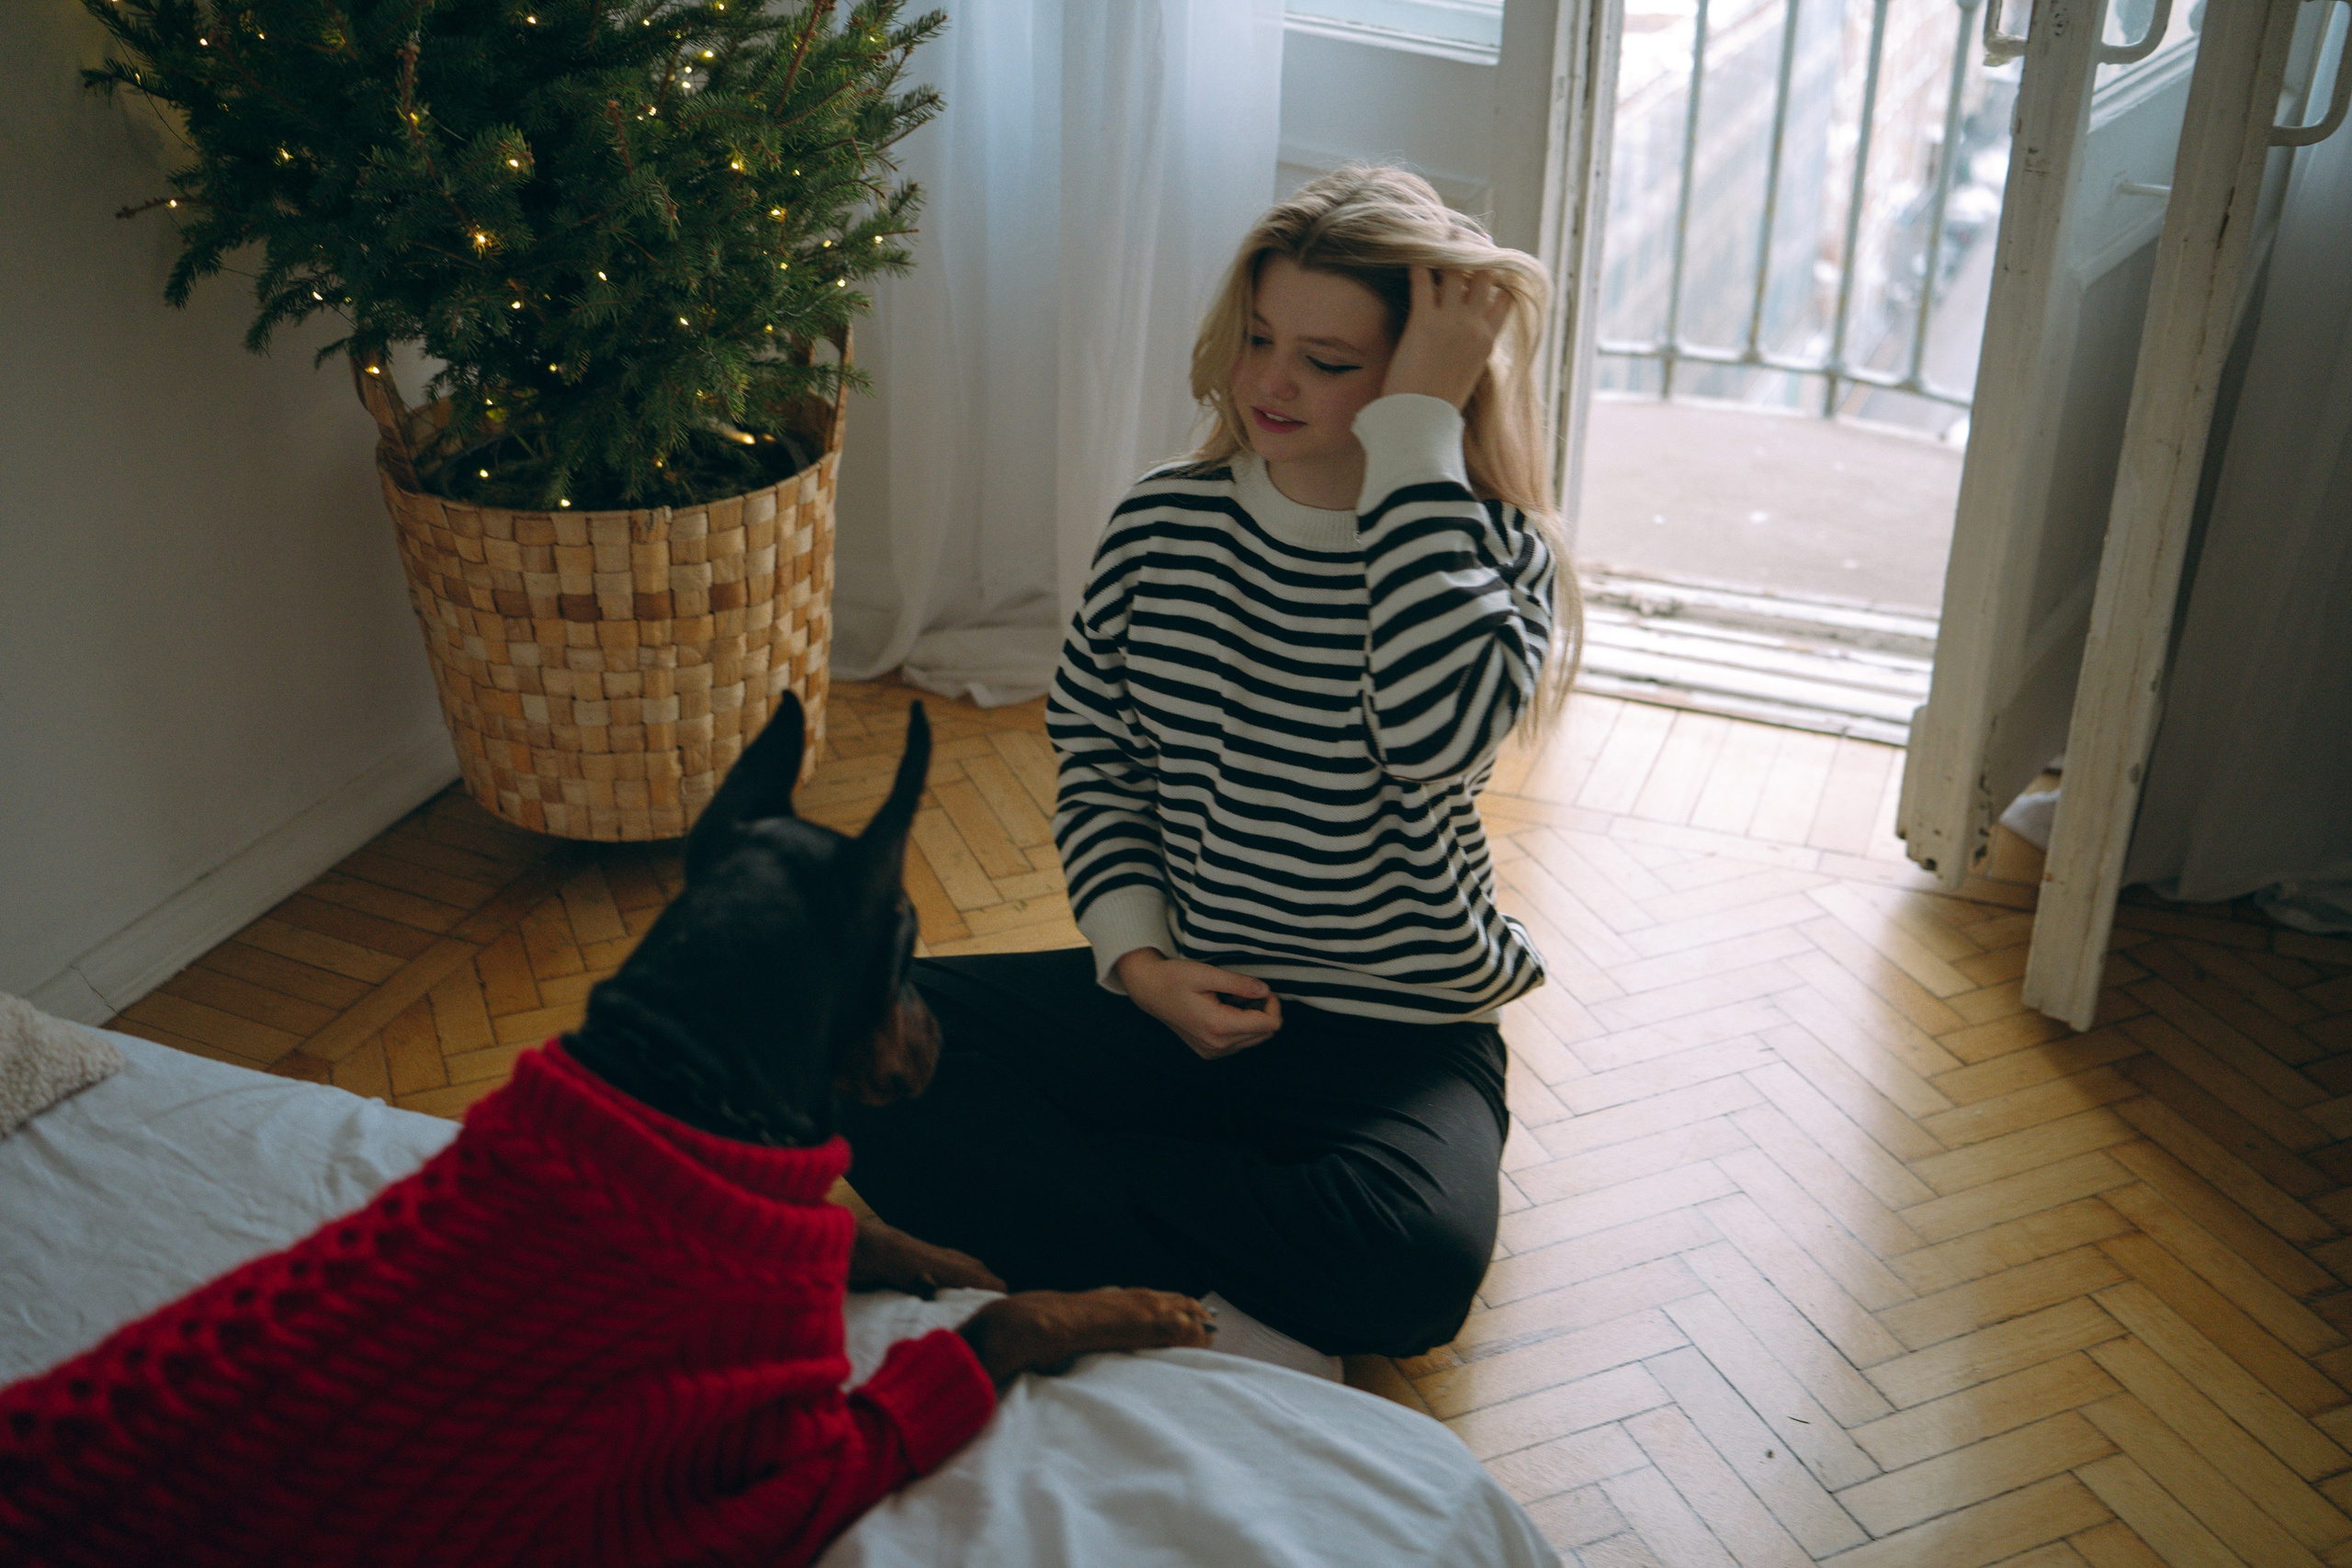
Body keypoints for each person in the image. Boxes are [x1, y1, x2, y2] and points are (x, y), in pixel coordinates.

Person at [841, 165, 1580, 1375]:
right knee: (860, 1032)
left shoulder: (1490, 550)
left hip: (1396, 1035)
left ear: (1417, 384)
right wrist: (1138, 964)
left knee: (1414, 1270)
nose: (1269, 384)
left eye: (1327, 361)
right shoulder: (1162, 524)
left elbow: (1432, 741)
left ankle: (1088, 1227)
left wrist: (1414, 447)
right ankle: (1229, 1245)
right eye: (1256, 339)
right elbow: (1099, 758)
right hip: (1182, 1001)